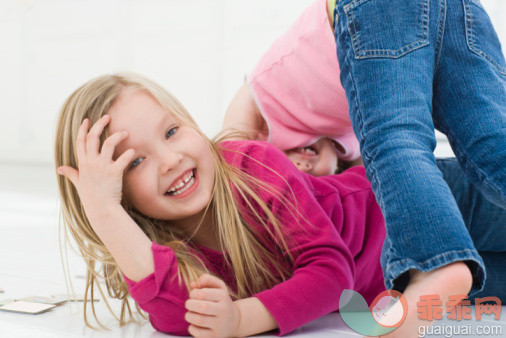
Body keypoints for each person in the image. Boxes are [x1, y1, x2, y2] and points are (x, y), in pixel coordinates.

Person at [223, 0, 506, 334]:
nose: (304, 164)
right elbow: (369, 189)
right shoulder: (343, 130)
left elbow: (228, 164)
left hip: (376, 10)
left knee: (395, 139)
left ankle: (437, 263)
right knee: (489, 143)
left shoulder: (252, 122)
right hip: (456, 9)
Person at [54, 73, 388, 337]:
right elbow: (178, 317)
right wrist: (105, 213)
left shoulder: (254, 166)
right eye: (137, 162)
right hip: (389, 285)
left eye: (171, 131)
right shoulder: (151, 250)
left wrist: (241, 319)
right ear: (121, 199)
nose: (171, 160)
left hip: (398, 206)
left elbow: (331, 274)